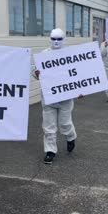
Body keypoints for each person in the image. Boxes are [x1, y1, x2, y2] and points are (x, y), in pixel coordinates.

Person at [34, 28, 81, 164]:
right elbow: (35, 72)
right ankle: (50, 151)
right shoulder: (43, 55)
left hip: (65, 98)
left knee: (65, 124)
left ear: (64, 40)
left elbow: (77, 74)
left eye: (59, 39)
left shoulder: (70, 55)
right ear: (49, 39)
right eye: (53, 39)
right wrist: (36, 74)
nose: (56, 42)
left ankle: (70, 136)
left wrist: (80, 90)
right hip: (48, 97)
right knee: (48, 126)